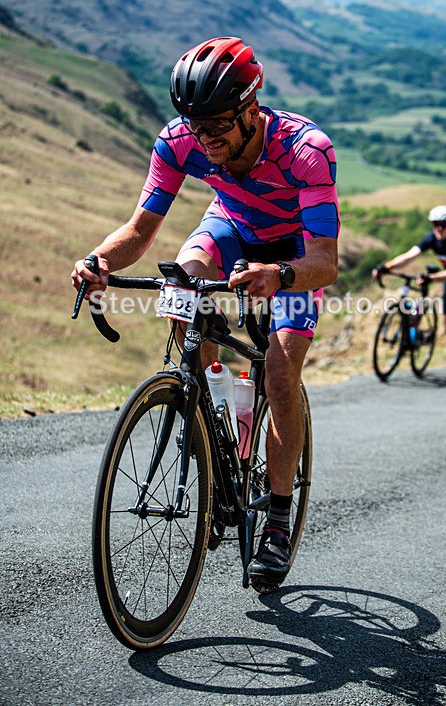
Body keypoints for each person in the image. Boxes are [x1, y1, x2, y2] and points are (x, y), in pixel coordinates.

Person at [72, 36, 340, 590]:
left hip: (293, 252)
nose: (205, 136)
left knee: (281, 371)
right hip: (231, 227)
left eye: (218, 122)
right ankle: (212, 413)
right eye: (195, 123)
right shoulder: (179, 142)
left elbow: (325, 261)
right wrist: (99, 261)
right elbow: (141, 231)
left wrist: (280, 276)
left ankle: (278, 517)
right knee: (182, 285)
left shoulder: (305, 150)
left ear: (250, 108)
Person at [373, 205, 446, 383]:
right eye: (436, 224)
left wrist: (431, 278)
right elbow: (409, 256)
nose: (439, 228)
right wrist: (387, 267)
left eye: (444, 225)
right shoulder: (431, 239)